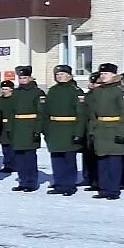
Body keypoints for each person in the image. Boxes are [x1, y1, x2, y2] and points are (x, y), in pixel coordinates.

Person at [85, 63, 124, 200]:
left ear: (113, 75)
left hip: (114, 129)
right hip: (100, 129)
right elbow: (93, 113)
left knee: (114, 162)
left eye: (106, 74)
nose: (103, 76)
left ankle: (113, 190)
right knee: (102, 161)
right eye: (101, 74)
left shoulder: (121, 91)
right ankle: (104, 188)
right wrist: (92, 131)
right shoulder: (98, 92)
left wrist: (121, 133)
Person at [42, 65, 85, 196]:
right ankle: (59, 183)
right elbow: (46, 111)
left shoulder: (76, 91)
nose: (59, 76)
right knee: (56, 158)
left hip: (69, 128)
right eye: (57, 74)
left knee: (68, 159)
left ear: (69, 75)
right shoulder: (53, 90)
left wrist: (78, 132)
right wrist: (46, 129)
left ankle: (69, 185)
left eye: (62, 74)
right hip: (54, 129)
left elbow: (81, 114)